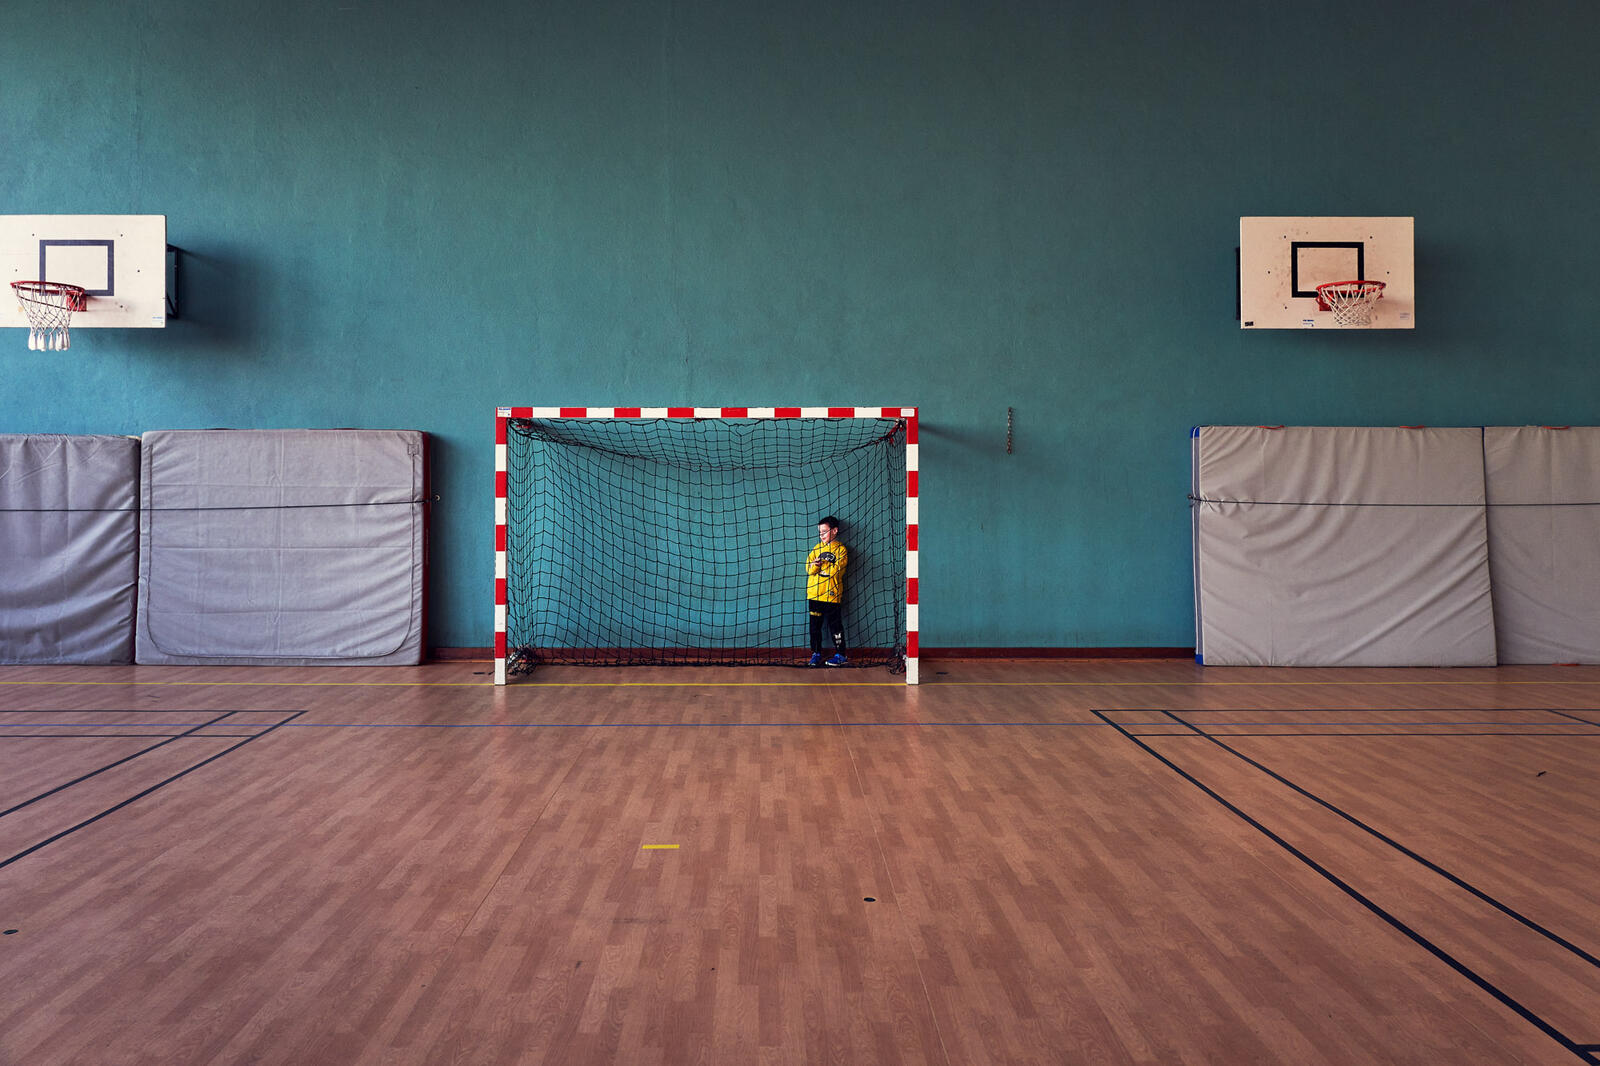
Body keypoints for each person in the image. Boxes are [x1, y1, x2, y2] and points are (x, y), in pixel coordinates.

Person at [805, 516, 848, 667]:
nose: (821, 535)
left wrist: (823, 568)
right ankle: (816, 653)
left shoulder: (841, 550)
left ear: (835, 531)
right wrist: (816, 565)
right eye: (820, 532)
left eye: (824, 531)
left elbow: (837, 571)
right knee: (814, 627)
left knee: (835, 626)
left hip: (831, 595)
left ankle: (841, 655)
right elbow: (809, 569)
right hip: (815, 594)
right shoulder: (816, 549)